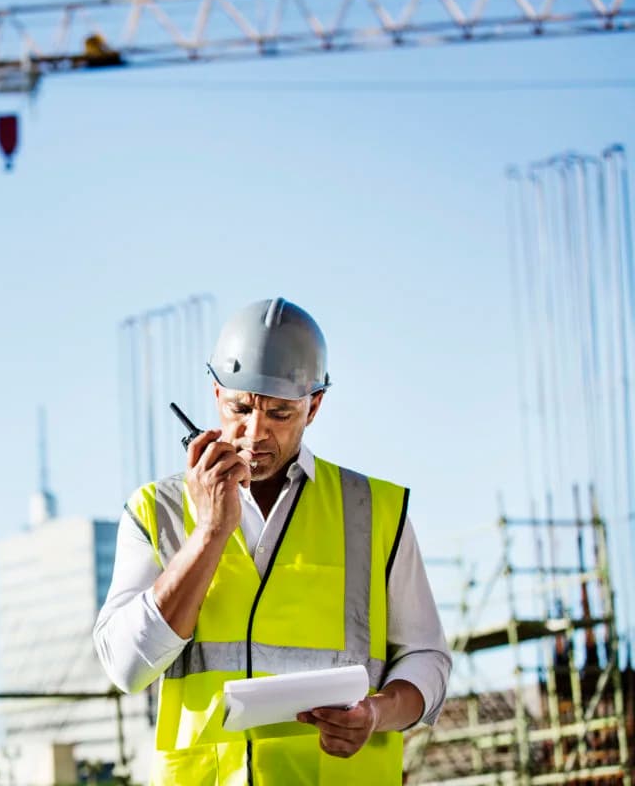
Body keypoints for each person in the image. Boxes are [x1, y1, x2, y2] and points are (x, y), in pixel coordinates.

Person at [93, 297, 451, 785]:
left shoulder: (374, 511)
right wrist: (209, 532)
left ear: (315, 405)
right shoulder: (157, 512)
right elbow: (127, 667)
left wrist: (376, 714)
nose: (255, 433)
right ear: (216, 392)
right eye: (239, 407)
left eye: (281, 414)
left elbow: (427, 657)